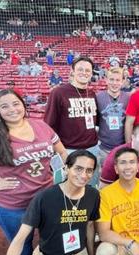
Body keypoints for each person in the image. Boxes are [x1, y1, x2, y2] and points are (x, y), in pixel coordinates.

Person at [0, 89, 67, 255]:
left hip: (45, 200)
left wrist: (60, 168)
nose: (12, 109)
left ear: (23, 104)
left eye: (15, 103)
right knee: (22, 244)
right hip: (12, 205)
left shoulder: (40, 125)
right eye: (4, 106)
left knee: (48, 236)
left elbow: (61, 150)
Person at [44, 56, 99, 186]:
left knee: (90, 186)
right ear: (72, 71)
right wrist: (57, 151)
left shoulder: (91, 94)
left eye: (87, 70)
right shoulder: (58, 92)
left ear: (91, 73)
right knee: (70, 187)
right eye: (80, 69)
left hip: (92, 148)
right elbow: (48, 126)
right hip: (68, 150)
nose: (84, 73)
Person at [96, 67, 131, 166]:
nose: (114, 83)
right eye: (111, 79)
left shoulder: (128, 98)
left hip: (123, 148)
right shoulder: (98, 97)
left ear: (122, 81)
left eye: (117, 80)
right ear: (106, 80)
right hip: (104, 149)